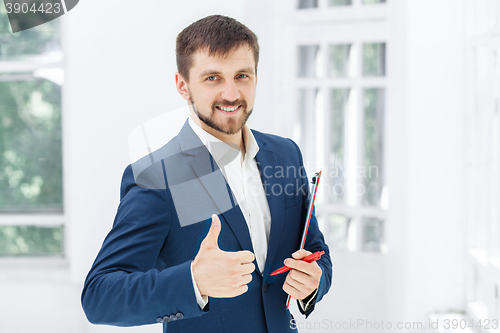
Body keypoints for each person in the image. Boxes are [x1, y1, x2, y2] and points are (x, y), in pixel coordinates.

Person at [81, 15, 332, 333]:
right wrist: (193, 282)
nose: (231, 93)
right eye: (212, 78)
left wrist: (314, 282)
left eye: (242, 75)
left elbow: (315, 250)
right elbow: (100, 296)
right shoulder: (158, 177)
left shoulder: (285, 154)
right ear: (183, 86)